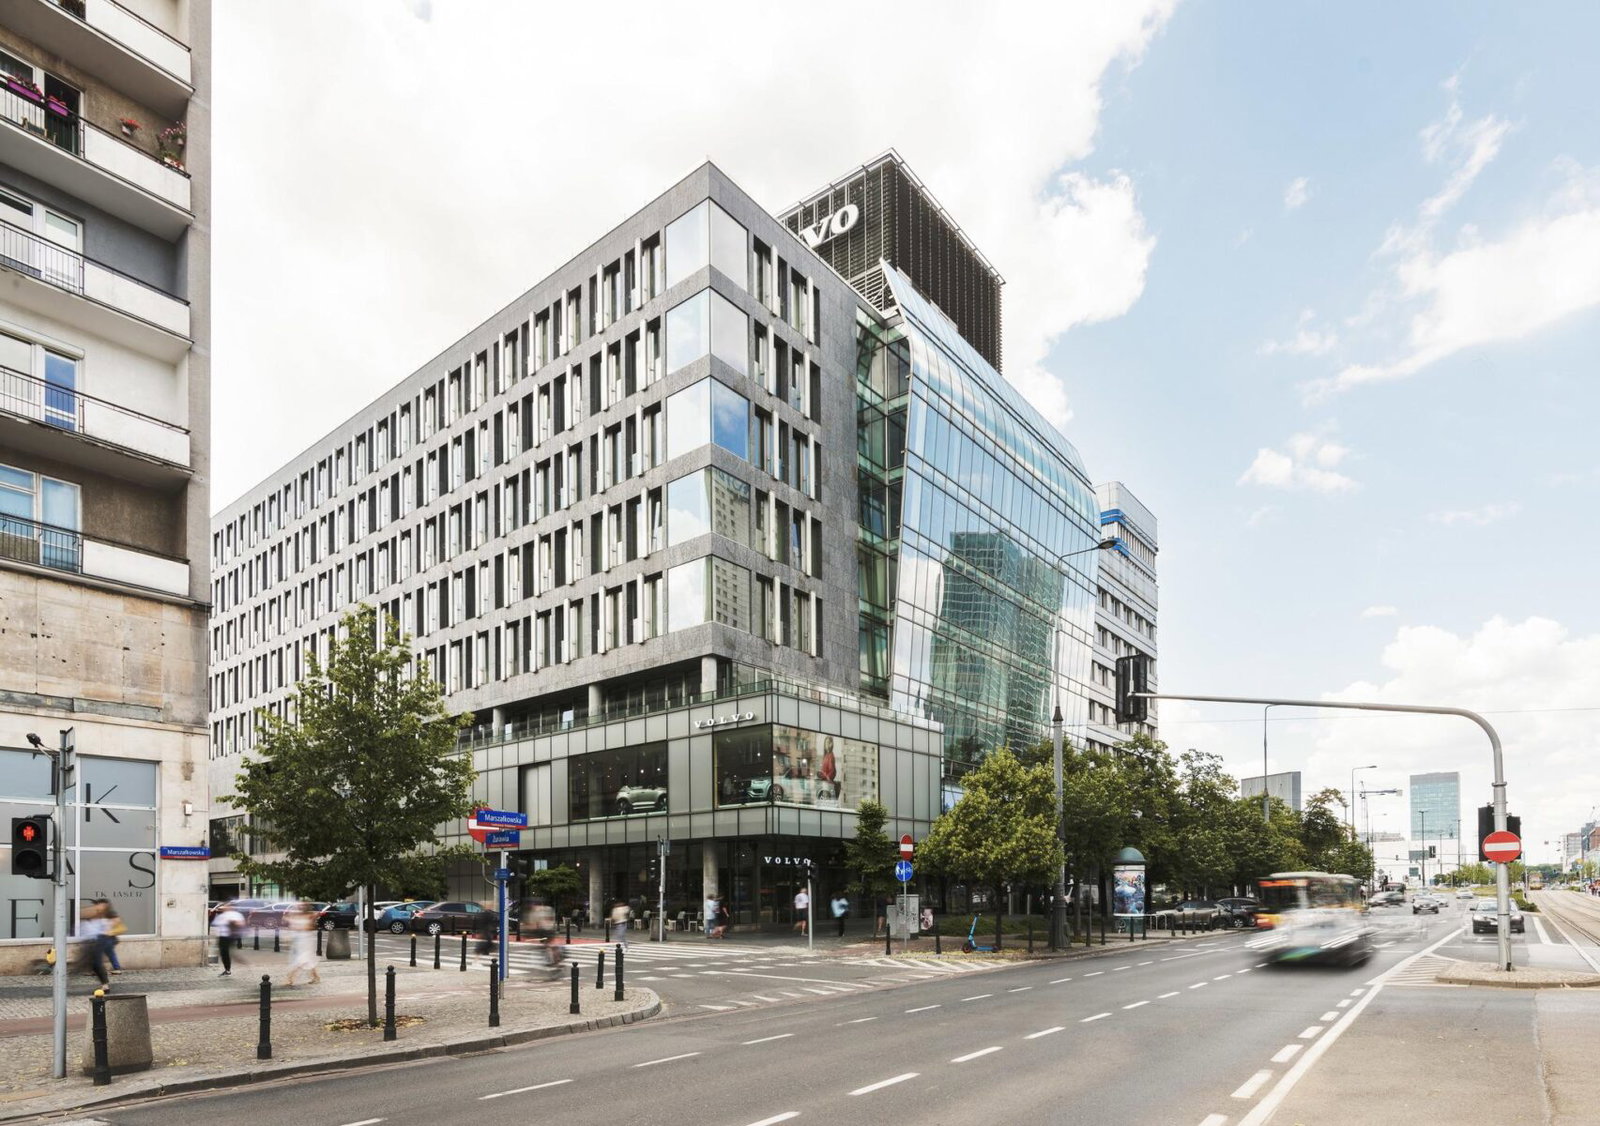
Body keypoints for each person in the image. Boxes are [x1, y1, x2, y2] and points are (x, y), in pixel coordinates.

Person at [283, 900, 321, 987]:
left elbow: (309, 927)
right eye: (300, 906)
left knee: (301, 960)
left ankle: (290, 979)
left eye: (303, 906)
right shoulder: (296, 916)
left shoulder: (310, 916)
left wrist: (299, 927)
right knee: (307, 960)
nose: (301, 907)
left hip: (306, 940)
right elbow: (291, 924)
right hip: (299, 940)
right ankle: (316, 977)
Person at [77, 901, 112, 990]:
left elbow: (105, 932)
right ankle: (104, 983)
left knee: (96, 963)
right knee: (92, 964)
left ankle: (105, 984)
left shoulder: (102, 921)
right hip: (89, 943)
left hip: (97, 943)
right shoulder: (87, 922)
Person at [211, 901, 245, 976]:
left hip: (230, 936)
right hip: (222, 936)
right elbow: (215, 923)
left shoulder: (236, 915)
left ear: (231, 907)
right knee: (223, 953)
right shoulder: (222, 915)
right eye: (225, 906)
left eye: (227, 906)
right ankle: (227, 969)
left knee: (225, 952)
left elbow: (241, 924)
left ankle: (229, 968)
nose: (225, 907)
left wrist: (233, 922)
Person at [98, 899, 125, 973]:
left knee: (99, 954)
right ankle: (117, 968)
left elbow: (117, 922)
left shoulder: (110, 913)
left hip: (108, 938)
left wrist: (109, 931)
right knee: (109, 953)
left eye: (101, 905)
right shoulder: (101, 913)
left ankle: (99, 970)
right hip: (104, 938)